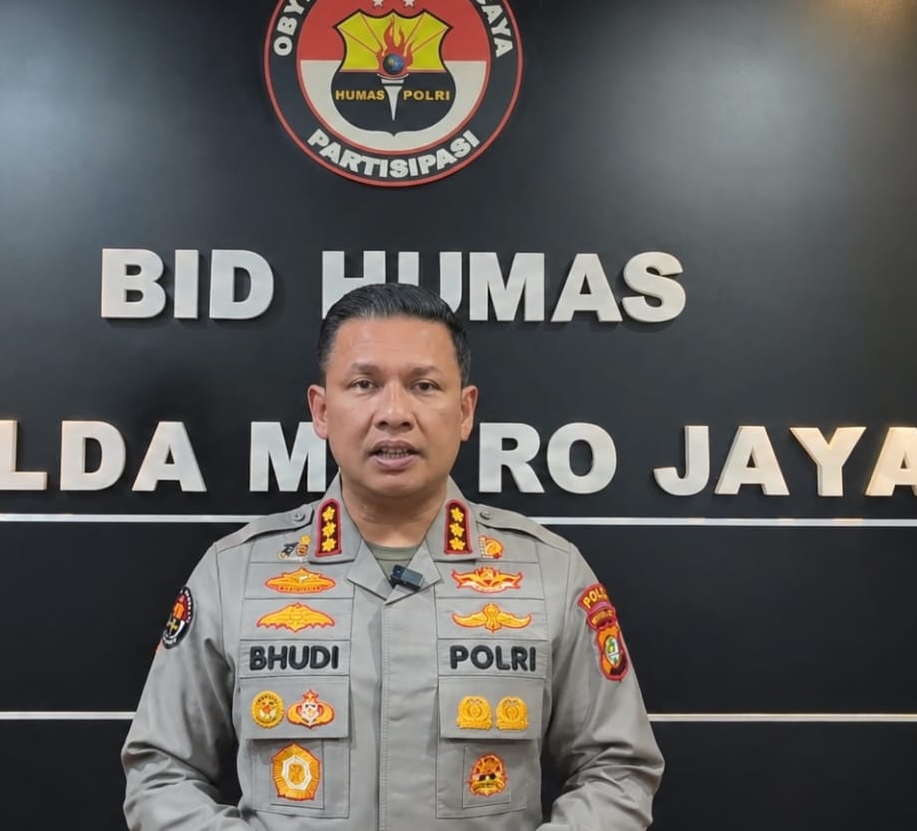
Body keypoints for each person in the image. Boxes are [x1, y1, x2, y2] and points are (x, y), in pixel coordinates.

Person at [121, 282, 664, 829]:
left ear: (465, 411)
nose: (394, 413)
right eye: (364, 384)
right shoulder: (235, 574)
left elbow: (617, 768)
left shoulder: (550, 574)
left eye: (424, 386)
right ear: (322, 410)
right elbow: (161, 772)